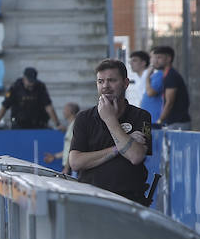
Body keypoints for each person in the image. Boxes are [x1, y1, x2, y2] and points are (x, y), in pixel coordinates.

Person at [67, 59, 152, 205]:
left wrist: (110, 120)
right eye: (100, 81)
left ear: (125, 83)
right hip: (91, 199)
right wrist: (120, 146)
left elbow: (136, 156)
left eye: (112, 80)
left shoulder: (142, 116)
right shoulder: (83, 118)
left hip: (129, 199)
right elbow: (75, 162)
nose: (105, 86)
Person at [0, 66, 61, 130]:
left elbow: (49, 107)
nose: (31, 84)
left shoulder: (40, 87)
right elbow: (4, 107)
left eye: (33, 82)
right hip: (19, 125)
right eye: (29, 82)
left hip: (37, 124)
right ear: (24, 79)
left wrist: (57, 124)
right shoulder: (15, 88)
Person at [150, 45, 191, 129]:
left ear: (168, 59)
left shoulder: (171, 76)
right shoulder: (166, 75)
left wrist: (159, 121)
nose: (155, 61)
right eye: (155, 58)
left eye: (159, 58)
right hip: (173, 123)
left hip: (178, 123)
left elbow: (169, 102)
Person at [43, 102, 81, 174]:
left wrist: (67, 167)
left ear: (70, 111)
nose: (63, 112)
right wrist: (54, 156)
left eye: (65, 109)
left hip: (70, 167)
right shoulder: (70, 126)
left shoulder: (74, 126)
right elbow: (67, 150)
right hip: (69, 165)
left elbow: (72, 149)